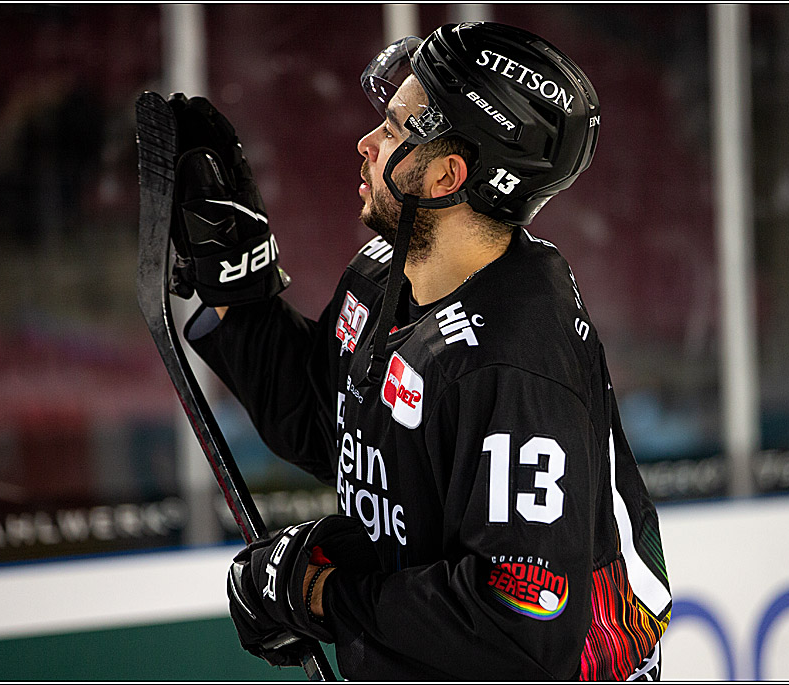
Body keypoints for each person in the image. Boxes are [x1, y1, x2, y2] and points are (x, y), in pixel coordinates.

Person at [168, 21, 671, 680]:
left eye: (398, 128)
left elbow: (519, 623)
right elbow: (331, 424)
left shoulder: (517, 358)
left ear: (446, 176)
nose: (368, 142)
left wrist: (321, 597)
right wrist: (240, 288)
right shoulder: (386, 274)